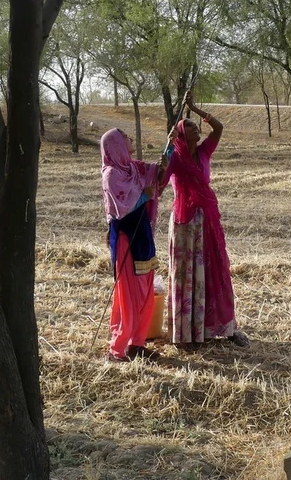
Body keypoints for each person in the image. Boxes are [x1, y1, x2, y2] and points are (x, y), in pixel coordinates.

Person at [162, 91, 249, 348]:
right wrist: (166, 149)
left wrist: (194, 108)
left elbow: (219, 127)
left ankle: (223, 326)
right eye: (188, 125)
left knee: (215, 270)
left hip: (206, 220)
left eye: (195, 124)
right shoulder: (176, 159)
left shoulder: (204, 152)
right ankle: (187, 333)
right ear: (180, 135)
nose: (195, 127)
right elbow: (159, 182)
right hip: (185, 224)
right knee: (187, 275)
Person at [100, 128, 168, 362]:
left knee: (145, 293)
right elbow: (121, 208)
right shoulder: (111, 174)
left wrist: (166, 157)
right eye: (125, 137)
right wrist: (143, 196)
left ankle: (137, 344)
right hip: (126, 239)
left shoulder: (133, 168)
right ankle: (118, 348)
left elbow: (155, 176)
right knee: (128, 297)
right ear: (116, 145)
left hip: (142, 236)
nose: (130, 140)